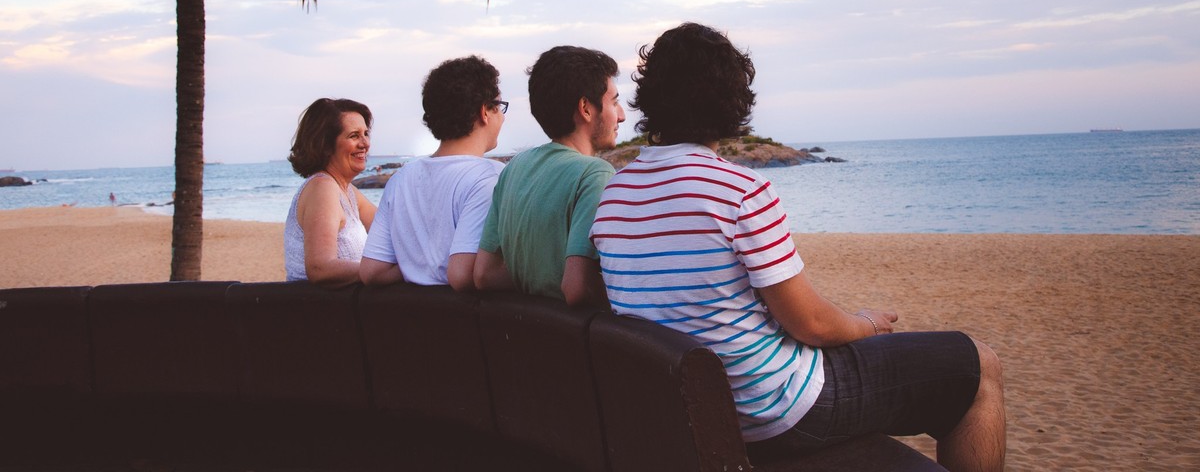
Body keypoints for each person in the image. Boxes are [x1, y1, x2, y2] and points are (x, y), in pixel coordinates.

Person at [590, 24, 1006, 472]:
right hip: (773, 408)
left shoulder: (615, 195)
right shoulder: (740, 190)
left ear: (651, 101)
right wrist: (865, 324)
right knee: (979, 367)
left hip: (685, 407)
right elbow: (811, 325)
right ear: (732, 101)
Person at [474, 46, 624, 306]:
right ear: (586, 108)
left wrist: (535, 275)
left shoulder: (515, 168)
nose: (621, 115)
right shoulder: (595, 175)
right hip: (574, 342)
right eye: (614, 102)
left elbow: (484, 274)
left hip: (527, 337)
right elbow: (577, 289)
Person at [359, 56, 507, 290]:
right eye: (499, 107)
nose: (503, 116)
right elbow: (463, 274)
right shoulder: (490, 177)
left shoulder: (401, 179)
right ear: (484, 112)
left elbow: (372, 271)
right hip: (464, 321)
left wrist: (415, 264)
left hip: (410, 320)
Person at [284, 97, 378, 287]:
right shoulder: (322, 188)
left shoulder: (347, 190)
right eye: (354, 136)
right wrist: (381, 271)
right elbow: (320, 268)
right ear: (326, 145)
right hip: (318, 309)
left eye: (366, 134)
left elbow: (391, 229)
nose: (365, 143)